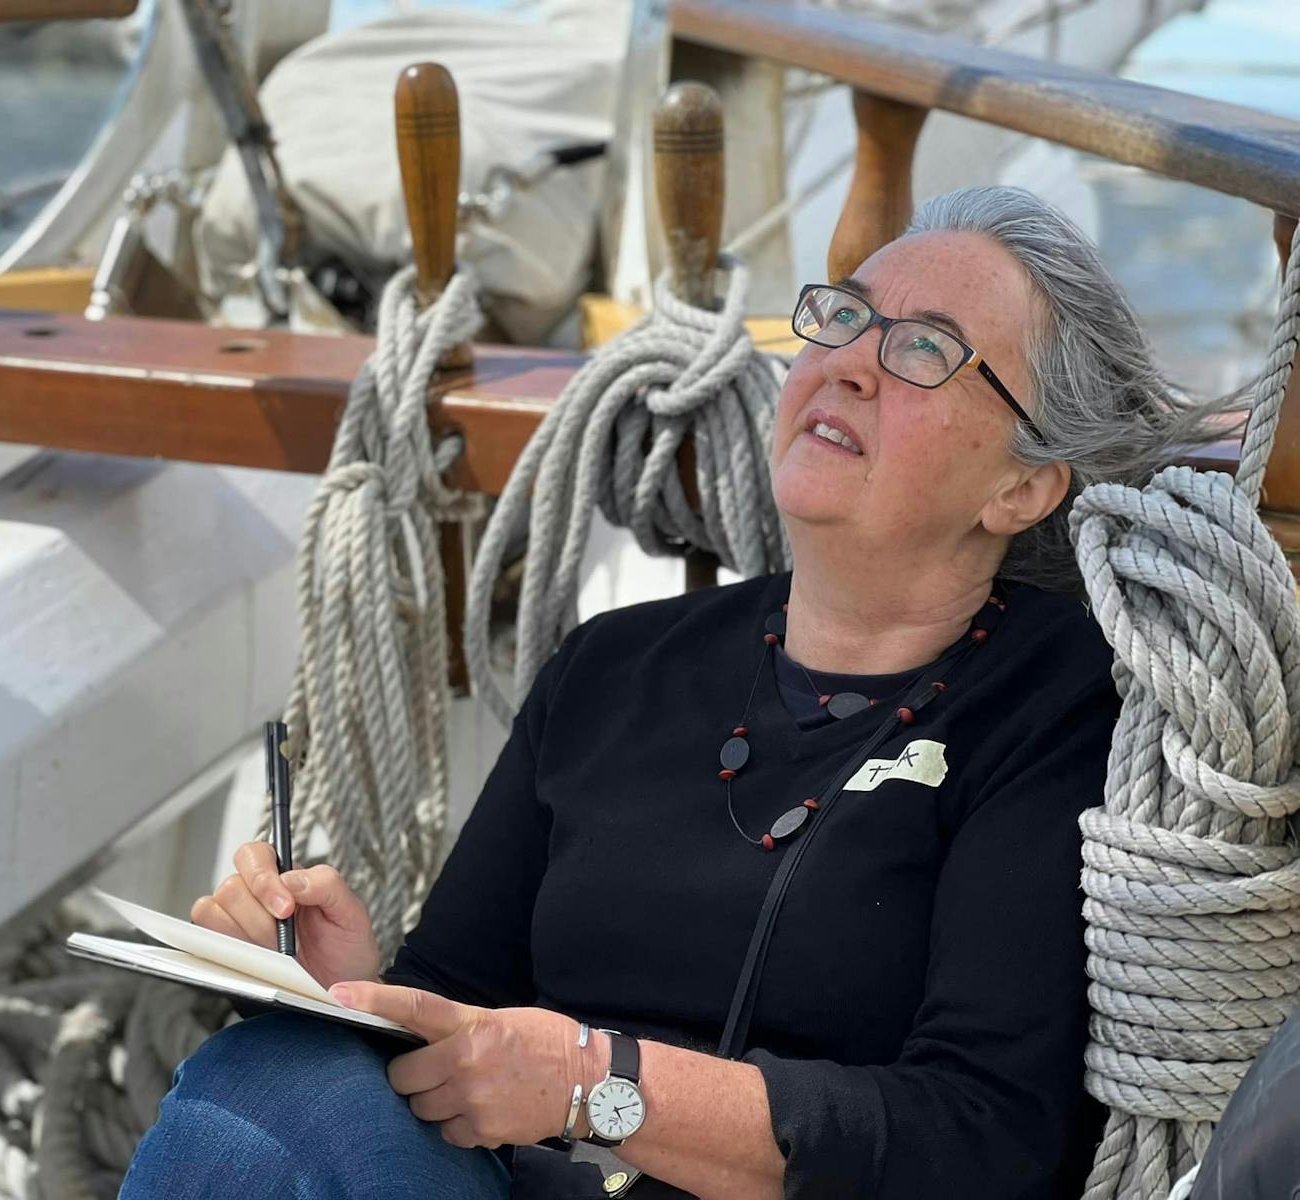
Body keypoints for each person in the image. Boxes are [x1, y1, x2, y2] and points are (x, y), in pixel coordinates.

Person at [119, 185, 1231, 1199]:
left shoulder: (1062, 709)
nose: (847, 362)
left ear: (1022, 485)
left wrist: (591, 1083)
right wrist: (353, 994)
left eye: (926, 349)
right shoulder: (612, 667)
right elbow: (453, 993)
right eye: (842, 318)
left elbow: (978, 1139)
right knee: (280, 1068)